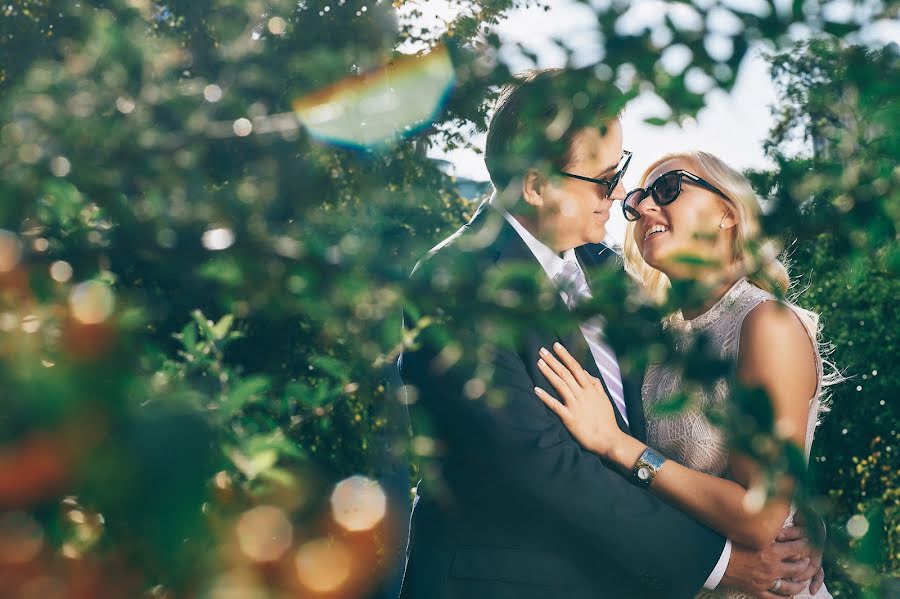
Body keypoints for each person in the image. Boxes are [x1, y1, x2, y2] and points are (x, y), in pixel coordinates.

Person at [398, 68, 823, 599]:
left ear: (728, 213)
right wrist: (717, 564)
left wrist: (793, 515)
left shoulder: (608, 277)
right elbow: (536, 467)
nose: (626, 196)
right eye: (606, 181)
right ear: (536, 185)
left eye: (622, 173)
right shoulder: (456, 283)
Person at [534, 150, 832, 598]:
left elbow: (760, 514)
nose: (644, 208)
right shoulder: (654, 340)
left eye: (668, 189)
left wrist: (618, 445)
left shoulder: (765, 324)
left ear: (727, 213)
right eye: (635, 202)